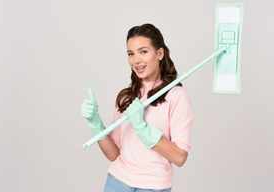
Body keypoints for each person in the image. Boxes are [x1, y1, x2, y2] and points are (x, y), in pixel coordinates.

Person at [81, 23, 194, 192]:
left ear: (160, 53)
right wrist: (96, 124)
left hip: (153, 187)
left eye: (143, 51)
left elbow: (179, 157)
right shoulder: (126, 97)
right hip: (116, 182)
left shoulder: (176, 96)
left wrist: (142, 127)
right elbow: (114, 154)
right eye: (130, 54)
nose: (136, 60)